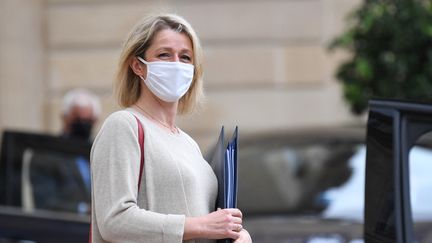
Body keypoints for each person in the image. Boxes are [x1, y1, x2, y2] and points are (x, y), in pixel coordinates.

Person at [90, 14, 252, 243]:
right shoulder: (123, 126)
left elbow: (209, 222)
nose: (176, 64)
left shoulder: (188, 144)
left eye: (185, 57)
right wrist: (200, 226)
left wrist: (236, 234)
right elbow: (114, 221)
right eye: (164, 54)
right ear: (138, 65)